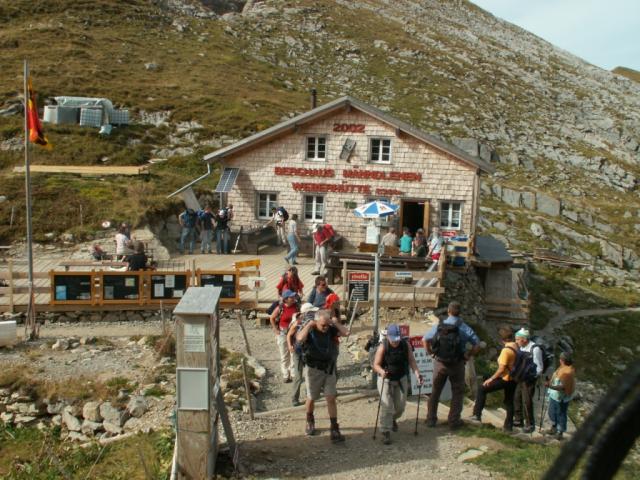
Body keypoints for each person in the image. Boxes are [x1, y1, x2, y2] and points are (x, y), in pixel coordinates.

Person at [422, 302, 481, 428]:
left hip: (440, 362)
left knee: (435, 391)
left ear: (448, 311)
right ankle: (454, 421)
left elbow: (425, 340)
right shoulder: (464, 327)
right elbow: (477, 344)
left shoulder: (440, 325)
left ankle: (431, 419)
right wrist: (468, 355)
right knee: (457, 392)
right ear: (460, 312)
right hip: (457, 363)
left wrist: (431, 353)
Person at [296, 309, 349, 442]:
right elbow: (300, 338)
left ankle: (334, 428)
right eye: (322, 325)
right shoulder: (311, 330)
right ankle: (310, 419)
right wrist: (309, 325)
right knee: (312, 397)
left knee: (331, 397)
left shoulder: (330, 329)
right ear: (316, 322)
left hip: (329, 369)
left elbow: (346, 333)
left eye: (327, 324)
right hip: (313, 369)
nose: (325, 327)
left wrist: (334, 323)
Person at [373, 324, 423, 444]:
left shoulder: (405, 345)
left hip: (401, 378)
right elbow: (376, 365)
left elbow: (412, 361)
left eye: (397, 339)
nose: (395, 342)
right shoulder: (383, 347)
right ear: (388, 336)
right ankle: (385, 431)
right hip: (385, 380)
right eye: (393, 339)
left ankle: (392, 420)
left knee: (400, 407)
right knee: (387, 406)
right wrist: (382, 371)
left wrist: (417, 374)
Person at [471, 327, 519, 431]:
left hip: (505, 378)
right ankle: (508, 427)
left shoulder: (506, 350)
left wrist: (491, 379)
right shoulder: (516, 346)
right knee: (509, 401)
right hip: (514, 379)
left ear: (502, 339)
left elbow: (501, 369)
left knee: (482, 388)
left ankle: (476, 415)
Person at [287, 302, 319, 406]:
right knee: (298, 377)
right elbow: (289, 335)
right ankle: (294, 399)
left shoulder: (313, 322)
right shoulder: (297, 323)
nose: (313, 313)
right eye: (311, 312)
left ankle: (309, 396)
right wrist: (289, 346)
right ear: (306, 312)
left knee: (310, 375)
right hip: (298, 352)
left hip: (309, 352)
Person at [513, 328, 544, 433]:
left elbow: (539, 367)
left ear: (524, 339)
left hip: (529, 380)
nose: (516, 341)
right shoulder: (522, 347)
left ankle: (530, 424)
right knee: (517, 397)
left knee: (527, 401)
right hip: (521, 378)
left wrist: (532, 378)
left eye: (518, 339)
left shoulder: (535, 349)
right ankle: (518, 420)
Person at [270, 290, 300, 383]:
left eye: (294, 296)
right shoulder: (280, 307)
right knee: (284, 355)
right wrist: (275, 329)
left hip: (294, 332)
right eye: (291, 297)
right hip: (283, 332)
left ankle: (293, 374)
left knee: (293, 353)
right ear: (286, 299)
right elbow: (272, 318)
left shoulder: (297, 306)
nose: (294, 298)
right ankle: (286, 375)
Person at [545, 351, 576, 441]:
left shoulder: (568, 372)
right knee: (552, 412)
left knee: (561, 414)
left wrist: (550, 386)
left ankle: (560, 432)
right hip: (554, 396)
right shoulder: (563, 367)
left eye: (560, 359)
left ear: (563, 360)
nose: (559, 360)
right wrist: (550, 380)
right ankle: (554, 427)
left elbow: (563, 387)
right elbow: (556, 377)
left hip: (561, 398)